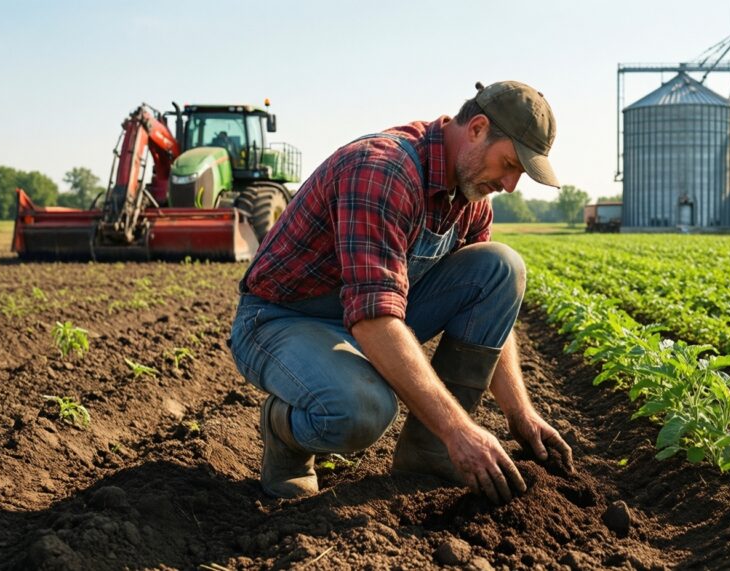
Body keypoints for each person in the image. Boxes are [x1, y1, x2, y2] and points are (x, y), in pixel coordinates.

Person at [228, 81, 574, 504]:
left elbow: (487, 307)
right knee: (363, 409)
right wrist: (460, 430)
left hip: (364, 316)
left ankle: (429, 456)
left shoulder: (470, 197)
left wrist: (520, 414)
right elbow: (374, 321)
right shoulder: (382, 170)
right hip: (282, 320)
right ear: (478, 129)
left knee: (500, 267)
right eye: (509, 164)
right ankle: (285, 435)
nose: (510, 185)